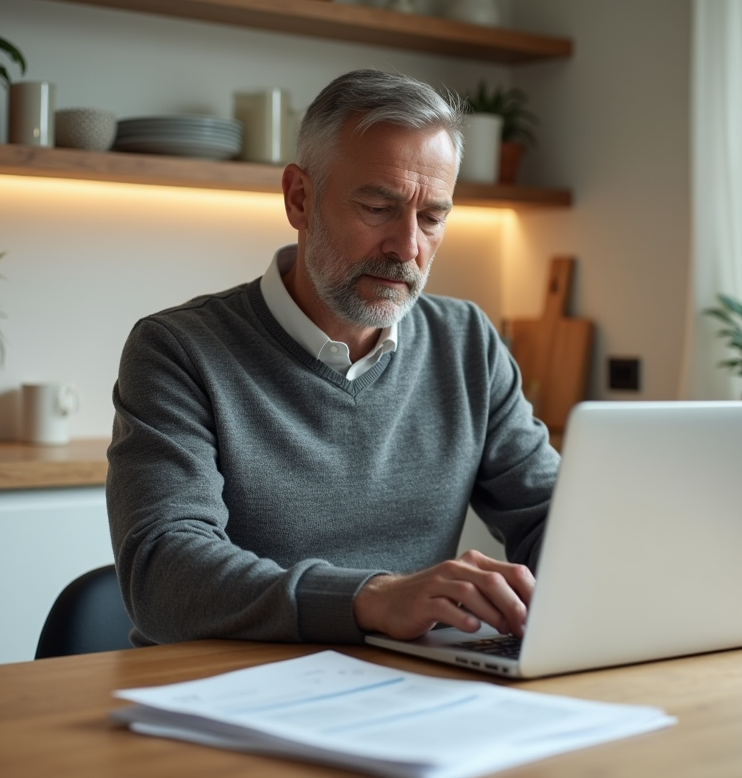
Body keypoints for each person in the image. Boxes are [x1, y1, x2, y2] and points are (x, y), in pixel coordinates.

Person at [106, 69, 559, 648]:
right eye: (377, 207)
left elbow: (551, 517)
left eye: (432, 217)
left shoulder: (466, 341)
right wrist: (373, 599)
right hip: (222, 692)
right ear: (299, 198)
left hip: (410, 688)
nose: (407, 248)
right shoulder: (177, 351)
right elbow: (164, 575)